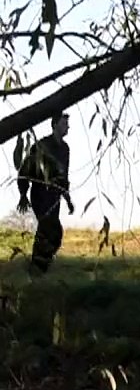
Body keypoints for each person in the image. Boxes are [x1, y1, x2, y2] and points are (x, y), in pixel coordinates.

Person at [17, 111, 75, 274]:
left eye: (67, 124)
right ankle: (38, 267)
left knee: (50, 233)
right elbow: (25, 170)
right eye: (64, 124)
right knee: (50, 229)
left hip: (55, 197)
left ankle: (40, 267)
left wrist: (67, 198)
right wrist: (23, 194)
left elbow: (64, 176)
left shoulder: (65, 149)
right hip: (40, 194)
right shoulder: (41, 146)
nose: (68, 127)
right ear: (54, 125)